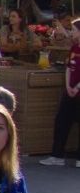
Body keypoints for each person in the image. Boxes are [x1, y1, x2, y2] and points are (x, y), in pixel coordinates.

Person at [41, 29, 80, 166]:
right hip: (70, 91)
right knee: (62, 121)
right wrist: (68, 85)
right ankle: (57, 155)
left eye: (74, 30)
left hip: (78, 90)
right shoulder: (74, 48)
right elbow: (69, 67)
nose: (72, 33)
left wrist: (77, 87)